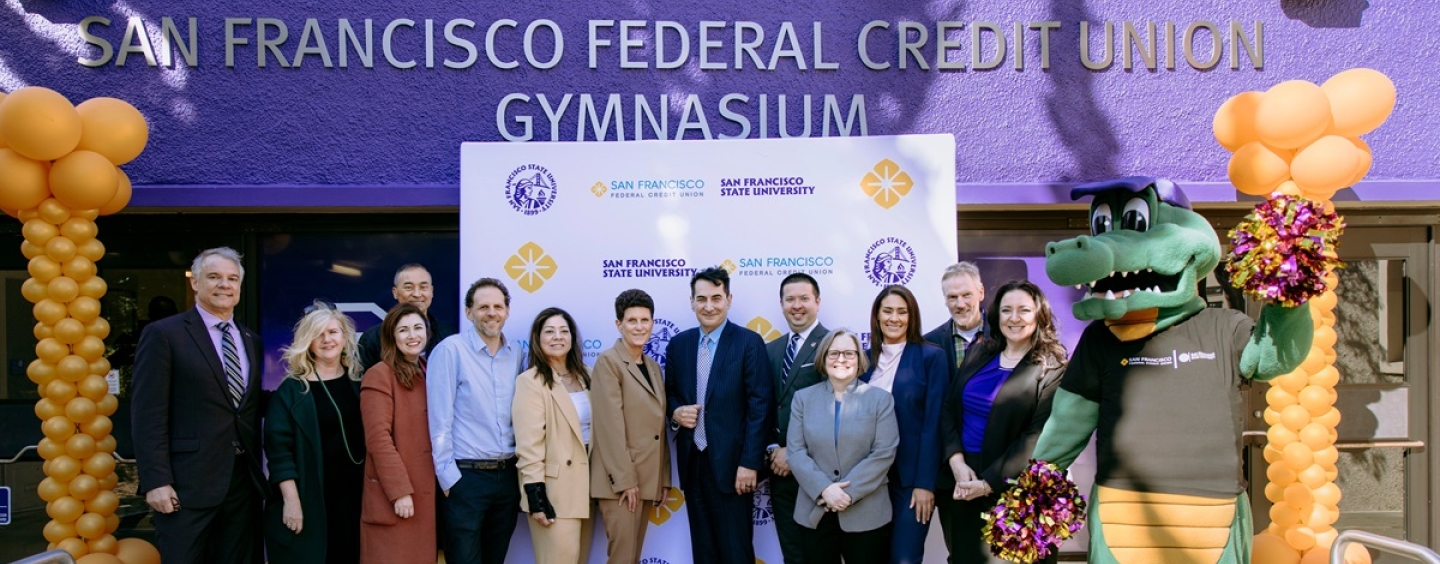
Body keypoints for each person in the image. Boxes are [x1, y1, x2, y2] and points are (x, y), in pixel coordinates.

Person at [132, 247, 265, 564]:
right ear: (195, 282)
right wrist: (156, 481)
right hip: (186, 486)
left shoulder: (251, 340)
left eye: (232, 279)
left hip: (241, 484)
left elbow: (247, 406)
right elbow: (147, 414)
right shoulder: (164, 334)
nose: (225, 285)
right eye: (214, 277)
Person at [939, 281, 1066, 563]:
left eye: (1024, 310)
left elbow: (1037, 435)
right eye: (1007, 310)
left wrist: (988, 483)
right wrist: (956, 461)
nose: (1014, 318)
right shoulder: (980, 352)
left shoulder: (1051, 366)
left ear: (1039, 314)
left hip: (1016, 488)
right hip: (965, 480)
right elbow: (949, 408)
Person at [665, 266, 774, 564]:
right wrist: (676, 411)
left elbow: (760, 406)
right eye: (701, 299)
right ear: (692, 302)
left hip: (734, 467)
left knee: (736, 552)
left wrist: (749, 463)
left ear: (729, 299)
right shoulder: (679, 344)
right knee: (704, 552)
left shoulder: (748, 342)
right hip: (693, 465)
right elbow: (670, 392)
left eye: (716, 298)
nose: (709, 306)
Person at [428, 278, 525, 564]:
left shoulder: (517, 354)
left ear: (507, 311)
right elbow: (439, 419)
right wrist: (448, 478)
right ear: (469, 312)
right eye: (483, 307)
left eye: (498, 306)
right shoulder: (450, 351)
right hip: (466, 478)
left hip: (507, 478)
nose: (491, 313)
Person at [263, 302, 366, 564]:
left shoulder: (361, 382)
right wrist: (292, 501)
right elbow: (278, 452)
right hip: (310, 496)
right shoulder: (292, 390)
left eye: (332, 332)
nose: (327, 340)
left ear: (345, 337)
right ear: (308, 342)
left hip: (355, 497)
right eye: (318, 334)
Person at [786, 329, 898, 564]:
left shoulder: (881, 400)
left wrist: (845, 493)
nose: (841, 359)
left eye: (849, 353)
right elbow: (795, 451)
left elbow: (884, 452)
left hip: (866, 514)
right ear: (823, 357)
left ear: (859, 358)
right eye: (834, 353)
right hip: (816, 511)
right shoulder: (802, 399)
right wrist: (825, 489)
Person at [861, 285, 948, 564]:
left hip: (911, 480)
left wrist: (925, 484)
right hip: (869, 480)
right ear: (877, 316)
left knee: (904, 558)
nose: (894, 318)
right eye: (887, 311)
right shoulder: (862, 361)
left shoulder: (931, 357)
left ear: (912, 317)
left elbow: (933, 424)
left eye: (902, 312)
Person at [590, 290, 670, 564]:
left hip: (647, 480)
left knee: (632, 558)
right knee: (622, 558)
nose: (639, 327)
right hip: (620, 483)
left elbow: (659, 427)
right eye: (631, 320)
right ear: (619, 324)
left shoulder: (653, 367)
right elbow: (609, 428)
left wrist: (663, 478)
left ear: (652, 323)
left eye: (644, 320)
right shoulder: (608, 362)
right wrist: (625, 482)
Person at [514, 308, 596, 564]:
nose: (557, 337)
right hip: (554, 492)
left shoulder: (587, 374)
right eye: (549, 331)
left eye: (564, 331)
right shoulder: (530, 381)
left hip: (586, 488)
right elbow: (529, 446)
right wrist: (536, 496)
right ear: (538, 339)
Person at [359, 303, 437, 564]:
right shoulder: (379, 375)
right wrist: (399, 491)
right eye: (403, 330)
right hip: (395, 497)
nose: (412, 335)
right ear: (391, 336)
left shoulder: (429, 370)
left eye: (417, 328)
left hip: (426, 495)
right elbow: (378, 440)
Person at [764, 273, 830, 564]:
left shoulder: (832, 345)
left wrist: (794, 453)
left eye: (804, 298)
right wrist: (773, 450)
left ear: (818, 301)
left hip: (819, 472)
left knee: (820, 555)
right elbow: (763, 407)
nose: (797, 305)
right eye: (790, 299)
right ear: (781, 305)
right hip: (780, 473)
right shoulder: (771, 350)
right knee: (792, 554)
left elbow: (834, 408)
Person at [922, 261, 985, 561]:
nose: (960, 304)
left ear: (981, 292)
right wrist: (954, 459)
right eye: (952, 297)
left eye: (966, 295)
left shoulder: (1005, 336)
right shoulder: (929, 344)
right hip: (950, 474)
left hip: (997, 468)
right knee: (961, 555)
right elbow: (933, 410)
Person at [358, 263, 454, 372]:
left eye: (423, 287)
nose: (417, 294)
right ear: (395, 292)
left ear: (431, 291)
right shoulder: (372, 339)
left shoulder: (447, 335)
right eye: (409, 288)